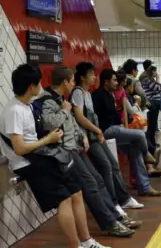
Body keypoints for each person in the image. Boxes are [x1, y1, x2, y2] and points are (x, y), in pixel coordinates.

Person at [0, 64, 110, 248]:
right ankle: (77, 245)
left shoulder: (25, 106)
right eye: (38, 84)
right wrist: (48, 139)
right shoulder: (14, 111)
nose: (41, 87)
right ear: (30, 87)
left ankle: (87, 241)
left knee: (76, 190)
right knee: (64, 198)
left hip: (38, 156)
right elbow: (19, 149)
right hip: (26, 162)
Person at [40, 66, 139, 237]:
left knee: (98, 180)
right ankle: (109, 223)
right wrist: (65, 110)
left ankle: (115, 217)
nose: (73, 84)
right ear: (65, 82)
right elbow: (49, 123)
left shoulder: (61, 99)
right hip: (66, 151)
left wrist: (81, 135)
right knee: (91, 185)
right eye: (71, 81)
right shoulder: (49, 101)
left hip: (76, 147)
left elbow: (71, 122)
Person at [71, 62, 146, 208]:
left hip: (94, 135)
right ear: (82, 77)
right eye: (91, 74)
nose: (94, 77)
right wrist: (98, 130)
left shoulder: (87, 94)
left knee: (113, 165)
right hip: (88, 138)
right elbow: (80, 117)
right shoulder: (78, 93)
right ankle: (114, 203)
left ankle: (123, 199)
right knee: (106, 167)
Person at [91, 69, 161, 196]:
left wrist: (122, 126)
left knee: (136, 150)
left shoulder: (109, 95)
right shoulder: (97, 95)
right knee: (140, 134)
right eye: (114, 80)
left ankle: (144, 187)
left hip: (114, 129)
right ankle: (147, 154)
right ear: (106, 82)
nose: (116, 83)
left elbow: (116, 115)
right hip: (105, 131)